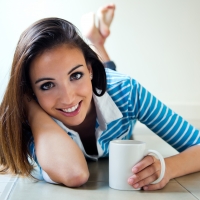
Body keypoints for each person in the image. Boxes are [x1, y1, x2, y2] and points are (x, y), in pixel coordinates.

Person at [0, 4, 200, 191]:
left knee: (107, 75)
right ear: (30, 91)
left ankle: (97, 42)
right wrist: (26, 103)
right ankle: (95, 44)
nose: (68, 97)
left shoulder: (127, 92)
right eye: (47, 85)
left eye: (76, 75)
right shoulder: (28, 119)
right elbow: (74, 174)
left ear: (89, 70)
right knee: (93, 85)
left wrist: (168, 167)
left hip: (106, 84)